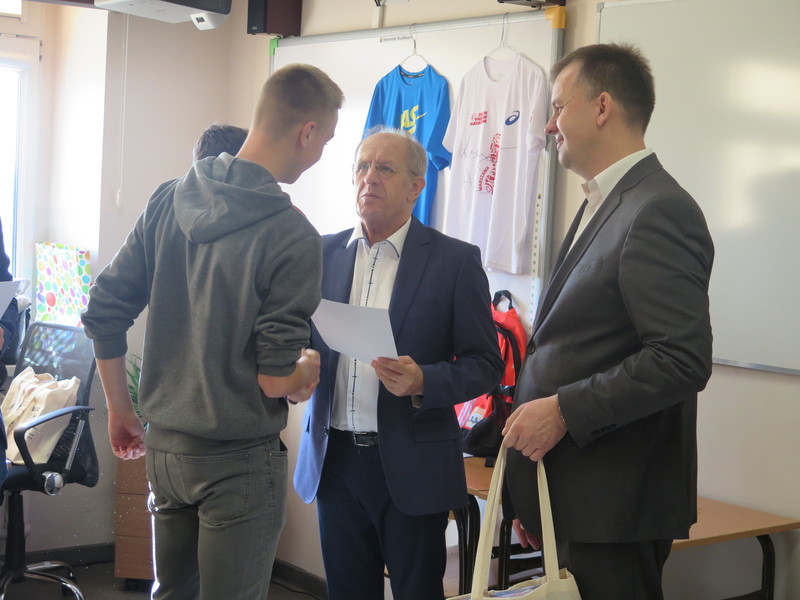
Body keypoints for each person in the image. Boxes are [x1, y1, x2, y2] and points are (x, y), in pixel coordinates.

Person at [81, 63, 344, 600]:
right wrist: (305, 372)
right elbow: (275, 379)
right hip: (237, 460)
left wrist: (120, 410)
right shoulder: (291, 233)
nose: (321, 155)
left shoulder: (168, 199)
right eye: (326, 142)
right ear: (307, 131)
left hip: (166, 453)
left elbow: (104, 308)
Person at [501, 43, 714, 600]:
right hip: (573, 497)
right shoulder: (605, 200)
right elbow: (572, 346)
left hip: (614, 509)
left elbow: (680, 359)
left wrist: (562, 411)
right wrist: (534, 495)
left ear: (601, 107)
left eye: (557, 107)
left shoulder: (658, 208)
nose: (548, 126)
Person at [293, 129, 504, 600]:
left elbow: (485, 363)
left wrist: (424, 379)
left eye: (384, 168)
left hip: (413, 463)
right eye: (362, 167)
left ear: (416, 186)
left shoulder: (454, 261)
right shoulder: (321, 254)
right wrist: (297, 371)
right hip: (333, 460)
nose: (369, 178)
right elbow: (299, 340)